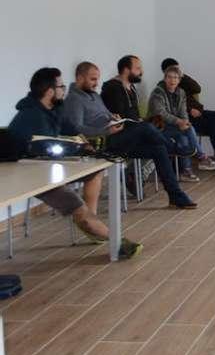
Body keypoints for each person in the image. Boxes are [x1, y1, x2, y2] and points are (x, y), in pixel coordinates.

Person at [7, 67, 142, 259]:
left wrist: (85, 143)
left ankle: (90, 222)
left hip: (46, 168)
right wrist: (77, 147)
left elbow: (71, 131)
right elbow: (45, 147)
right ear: (50, 91)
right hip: (30, 176)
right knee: (76, 205)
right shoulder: (31, 116)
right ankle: (115, 240)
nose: (64, 89)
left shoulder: (55, 109)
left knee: (94, 173)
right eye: (61, 86)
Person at [101, 55, 198, 209]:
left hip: (132, 137)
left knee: (159, 149)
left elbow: (132, 117)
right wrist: (140, 124)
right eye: (138, 68)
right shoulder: (112, 88)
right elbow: (119, 119)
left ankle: (176, 196)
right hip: (116, 140)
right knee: (148, 128)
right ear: (126, 70)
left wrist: (140, 121)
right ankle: (174, 148)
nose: (141, 71)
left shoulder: (131, 87)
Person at [160, 58, 215, 173]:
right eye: (175, 69)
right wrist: (190, 110)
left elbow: (197, 88)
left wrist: (183, 76)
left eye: (178, 70)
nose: (178, 72)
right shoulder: (163, 86)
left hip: (198, 114)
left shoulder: (181, 81)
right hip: (184, 118)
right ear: (166, 72)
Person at [148, 65, 215, 182]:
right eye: (169, 77)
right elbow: (161, 113)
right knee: (188, 130)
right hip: (158, 126)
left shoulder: (181, 92)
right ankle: (201, 157)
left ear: (179, 80)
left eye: (175, 78)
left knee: (184, 134)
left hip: (173, 126)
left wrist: (185, 121)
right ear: (165, 78)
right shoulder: (157, 92)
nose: (172, 80)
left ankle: (187, 171)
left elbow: (183, 111)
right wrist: (179, 122)